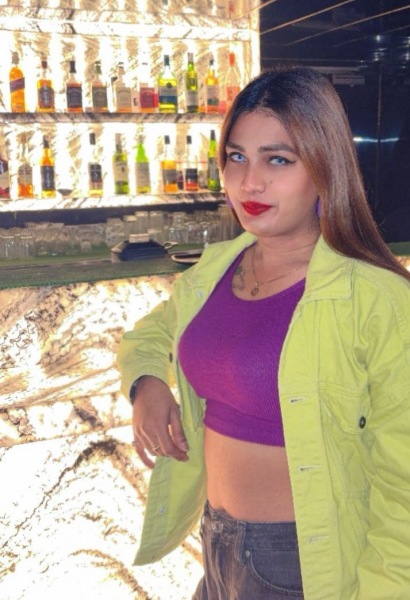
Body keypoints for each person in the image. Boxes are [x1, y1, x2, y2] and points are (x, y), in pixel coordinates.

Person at [116, 66, 410, 599]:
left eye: (278, 160)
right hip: (216, 543)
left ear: (324, 166)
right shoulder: (217, 268)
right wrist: (147, 385)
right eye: (237, 157)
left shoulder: (375, 298)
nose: (249, 183)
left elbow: (403, 484)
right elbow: (149, 335)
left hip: (301, 562)